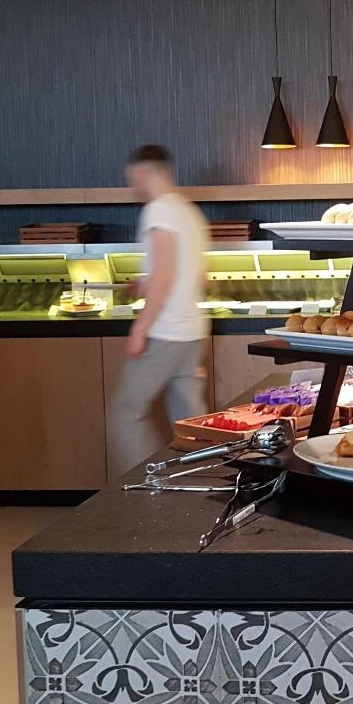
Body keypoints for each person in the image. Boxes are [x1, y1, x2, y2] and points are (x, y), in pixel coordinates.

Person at [109, 144, 210, 476]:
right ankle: (201, 486)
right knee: (191, 424)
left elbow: (165, 276)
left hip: (167, 331)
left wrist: (139, 328)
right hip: (193, 331)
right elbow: (197, 275)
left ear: (143, 173)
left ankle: (151, 486)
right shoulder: (188, 212)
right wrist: (144, 282)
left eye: (132, 179)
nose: (132, 186)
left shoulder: (159, 211)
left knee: (126, 413)